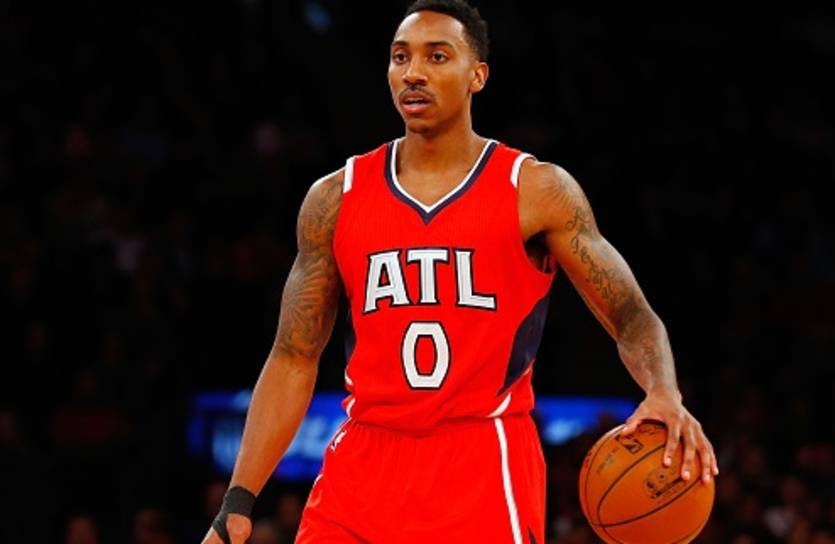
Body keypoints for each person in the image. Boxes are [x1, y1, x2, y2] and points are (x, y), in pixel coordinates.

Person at [203, 1, 719, 542]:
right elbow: (292, 356)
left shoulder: (535, 191)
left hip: (482, 462)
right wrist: (237, 503)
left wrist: (664, 390)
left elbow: (630, 314)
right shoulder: (334, 198)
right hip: (362, 463)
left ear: (478, 76)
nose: (413, 72)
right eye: (400, 57)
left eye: (437, 56)